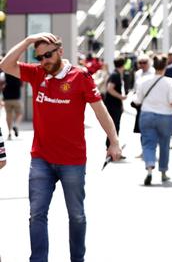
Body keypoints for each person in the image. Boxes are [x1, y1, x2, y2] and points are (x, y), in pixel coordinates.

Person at [0, 32, 122, 262]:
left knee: (76, 216)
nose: (44, 60)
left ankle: (78, 259)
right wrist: (26, 41)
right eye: (39, 57)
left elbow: (100, 110)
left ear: (60, 51)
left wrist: (113, 141)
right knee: (36, 215)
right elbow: (5, 65)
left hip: (73, 161)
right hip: (41, 159)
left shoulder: (81, 77)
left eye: (48, 54)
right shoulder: (37, 73)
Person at [135, 54, 172, 185]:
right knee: (165, 144)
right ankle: (163, 172)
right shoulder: (170, 82)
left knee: (148, 143)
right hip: (165, 115)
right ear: (165, 66)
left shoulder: (143, 81)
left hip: (147, 114)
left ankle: (149, 168)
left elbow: (137, 100)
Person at [103, 58, 127, 149]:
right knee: (114, 126)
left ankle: (111, 146)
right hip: (113, 106)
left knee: (114, 126)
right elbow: (110, 88)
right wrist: (121, 97)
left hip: (114, 105)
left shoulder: (115, 74)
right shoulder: (115, 75)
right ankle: (111, 147)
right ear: (123, 65)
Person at [1, 71, 23, 138]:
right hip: (16, 98)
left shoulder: (3, 74)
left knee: (8, 115)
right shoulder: (18, 73)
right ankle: (16, 125)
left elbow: (1, 85)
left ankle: (9, 132)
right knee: (20, 113)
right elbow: (22, 84)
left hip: (7, 98)